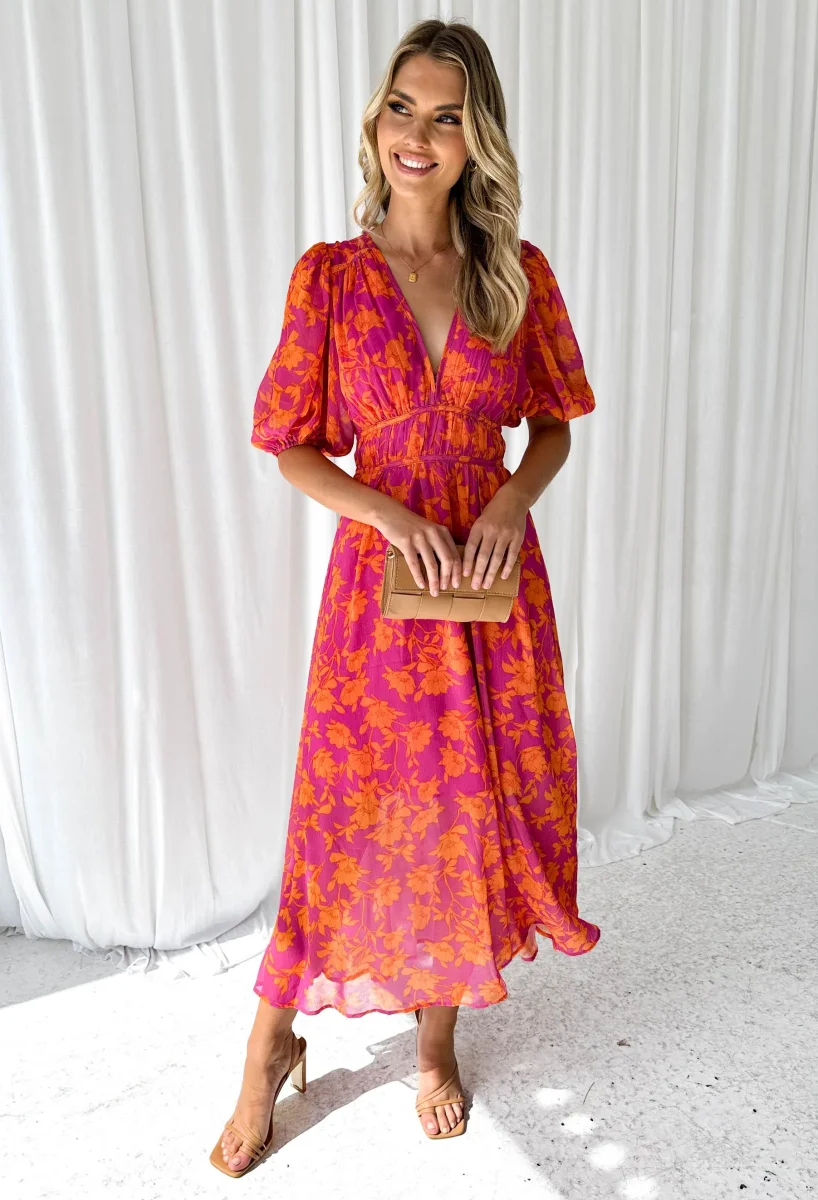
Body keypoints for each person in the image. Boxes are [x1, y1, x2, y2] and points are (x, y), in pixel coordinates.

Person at [212, 16, 600, 1177]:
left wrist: (509, 500)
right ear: (374, 120)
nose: (416, 136)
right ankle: (269, 1045)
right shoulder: (330, 277)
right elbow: (287, 443)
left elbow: (552, 426)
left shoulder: (515, 274)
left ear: (476, 138)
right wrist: (385, 512)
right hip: (379, 596)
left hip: (486, 582)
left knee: (463, 810)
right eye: (400, 108)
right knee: (344, 817)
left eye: (444, 116)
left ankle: (435, 1044)